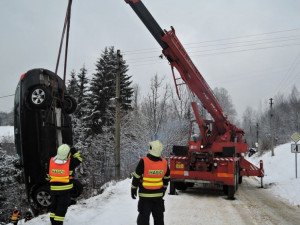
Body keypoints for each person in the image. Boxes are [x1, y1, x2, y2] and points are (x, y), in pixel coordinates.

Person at [131, 140, 170, 225]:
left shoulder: (144, 161)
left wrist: (133, 189)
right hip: (158, 197)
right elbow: (167, 177)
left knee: (143, 220)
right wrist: (164, 188)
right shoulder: (164, 162)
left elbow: (136, 177)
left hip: (145, 197)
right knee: (159, 220)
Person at [48, 144, 82, 225]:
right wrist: (74, 151)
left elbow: (48, 174)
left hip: (53, 190)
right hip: (64, 191)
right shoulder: (70, 163)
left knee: (54, 207)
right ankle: (57, 223)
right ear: (68, 153)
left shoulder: (51, 161)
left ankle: (52, 222)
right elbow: (79, 159)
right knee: (61, 210)